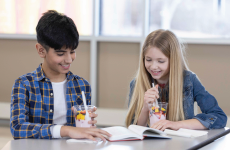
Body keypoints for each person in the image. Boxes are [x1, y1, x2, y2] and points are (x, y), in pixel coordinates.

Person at [10, 10, 111, 141]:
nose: (69, 59)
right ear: (41, 50)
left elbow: (81, 132)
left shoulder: (82, 86)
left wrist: (86, 125)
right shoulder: (24, 84)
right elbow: (17, 129)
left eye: (73, 51)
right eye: (60, 53)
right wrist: (65, 130)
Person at [125, 29, 227, 131]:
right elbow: (133, 129)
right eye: (148, 60)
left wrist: (177, 125)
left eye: (161, 61)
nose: (153, 66)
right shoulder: (136, 84)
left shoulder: (189, 81)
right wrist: (145, 108)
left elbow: (219, 117)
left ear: (173, 60)